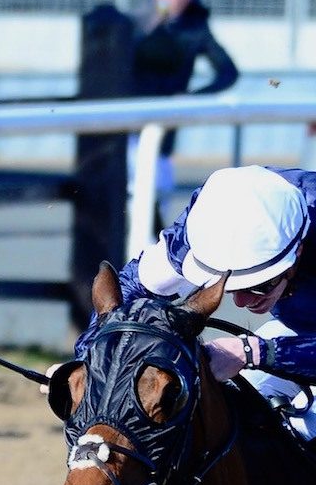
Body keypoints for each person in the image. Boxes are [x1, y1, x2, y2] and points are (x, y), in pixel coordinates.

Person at [81, 165, 316, 440]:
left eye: (260, 285)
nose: (241, 302)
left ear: (298, 250)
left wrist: (254, 352)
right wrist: (90, 362)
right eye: (230, 287)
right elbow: (128, 291)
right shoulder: (213, 219)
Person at [128, 0, 238, 199]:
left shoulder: (195, 26)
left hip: (164, 133)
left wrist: (193, 97)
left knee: (157, 191)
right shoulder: (136, 21)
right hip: (128, 127)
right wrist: (154, 24)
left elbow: (228, 72)